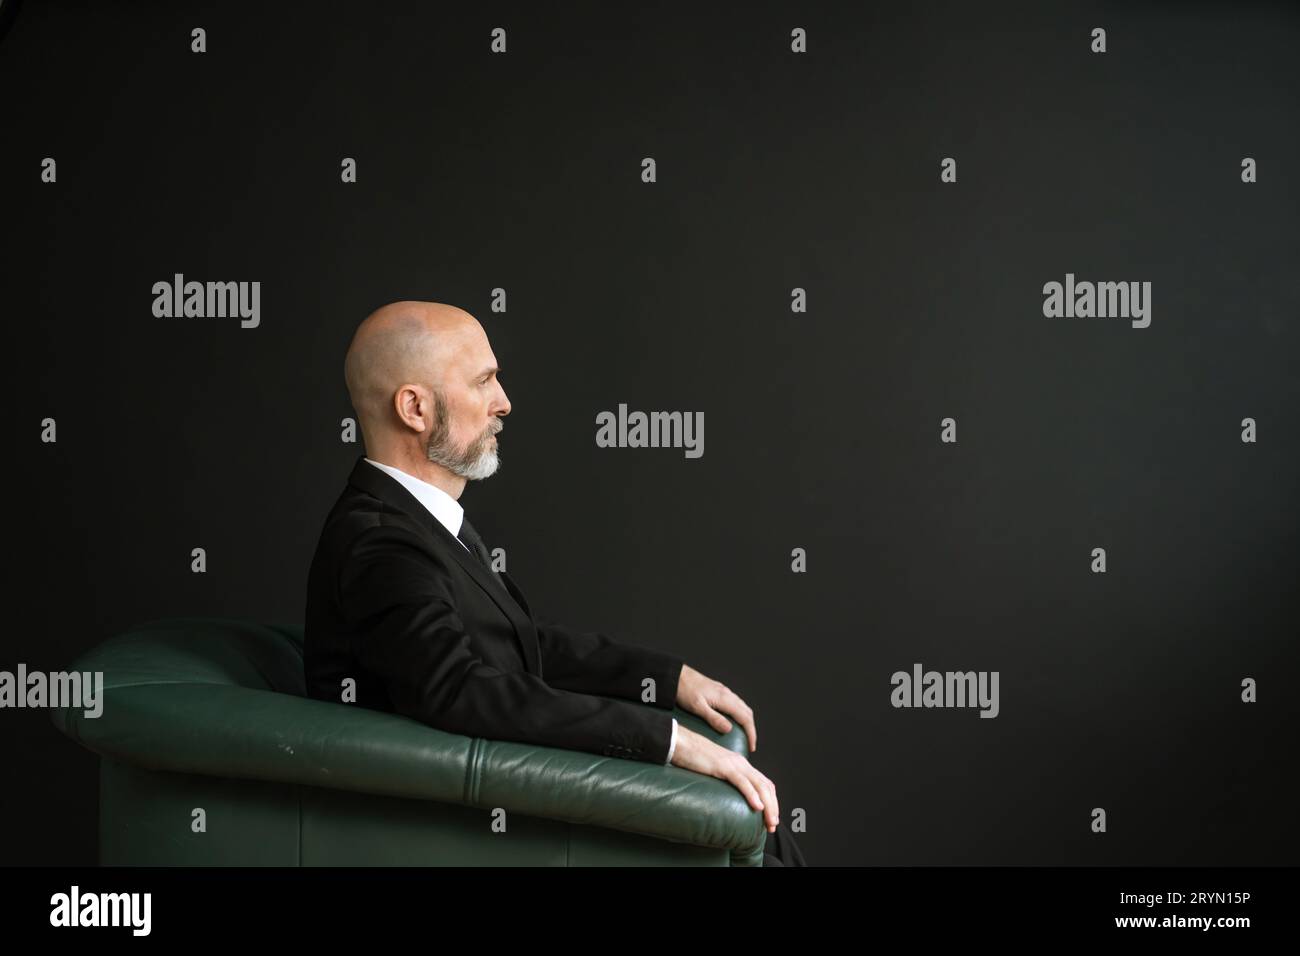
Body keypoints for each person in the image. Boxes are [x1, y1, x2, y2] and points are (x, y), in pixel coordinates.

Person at [304, 300, 803, 865]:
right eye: (484, 381)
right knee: (751, 824)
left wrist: (667, 680)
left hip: (509, 800)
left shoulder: (418, 519)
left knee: (768, 831)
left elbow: (516, 644)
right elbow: (461, 692)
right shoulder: (381, 543)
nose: (504, 402)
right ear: (415, 408)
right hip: (481, 830)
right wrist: (667, 740)